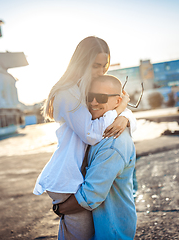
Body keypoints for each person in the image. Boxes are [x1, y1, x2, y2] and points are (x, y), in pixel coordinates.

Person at [33, 36, 137, 239]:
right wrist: (120, 111)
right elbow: (91, 133)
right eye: (96, 66)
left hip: (76, 176)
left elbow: (111, 108)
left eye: (104, 66)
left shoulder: (89, 87)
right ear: (81, 62)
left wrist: (124, 116)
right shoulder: (68, 93)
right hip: (67, 178)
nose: (101, 72)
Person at [58, 75, 137, 239]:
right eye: (89, 96)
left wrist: (59, 209)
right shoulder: (95, 132)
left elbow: (89, 197)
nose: (93, 102)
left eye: (101, 97)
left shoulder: (112, 143)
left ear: (118, 102)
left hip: (111, 232)